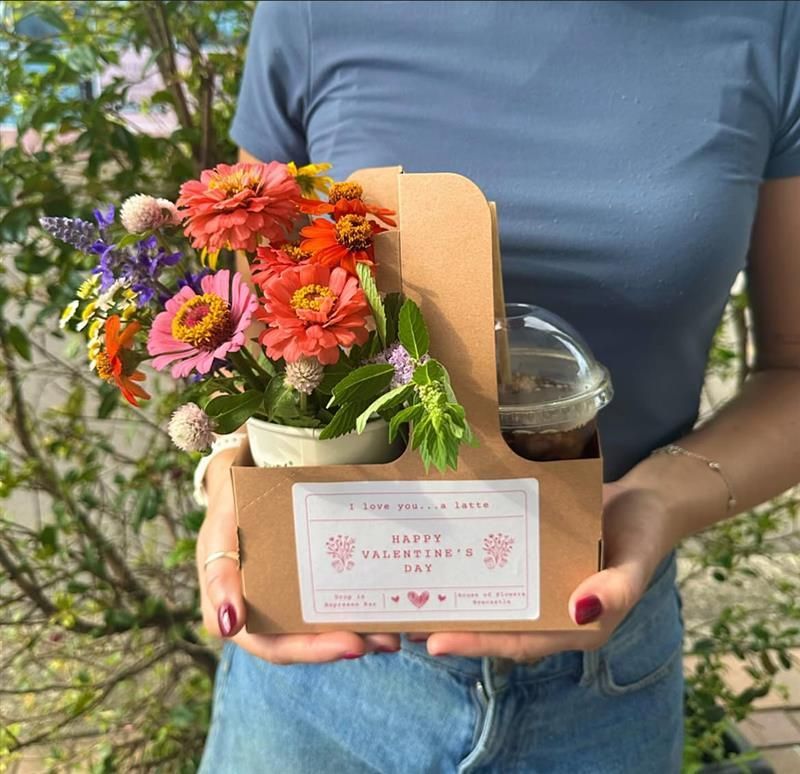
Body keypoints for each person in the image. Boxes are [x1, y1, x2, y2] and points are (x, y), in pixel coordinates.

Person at [195, 2, 800, 772]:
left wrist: (658, 501)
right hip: (326, 670)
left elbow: (793, 369)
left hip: (601, 677)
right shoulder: (312, 12)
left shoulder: (768, 23)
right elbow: (254, 329)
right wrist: (226, 483)